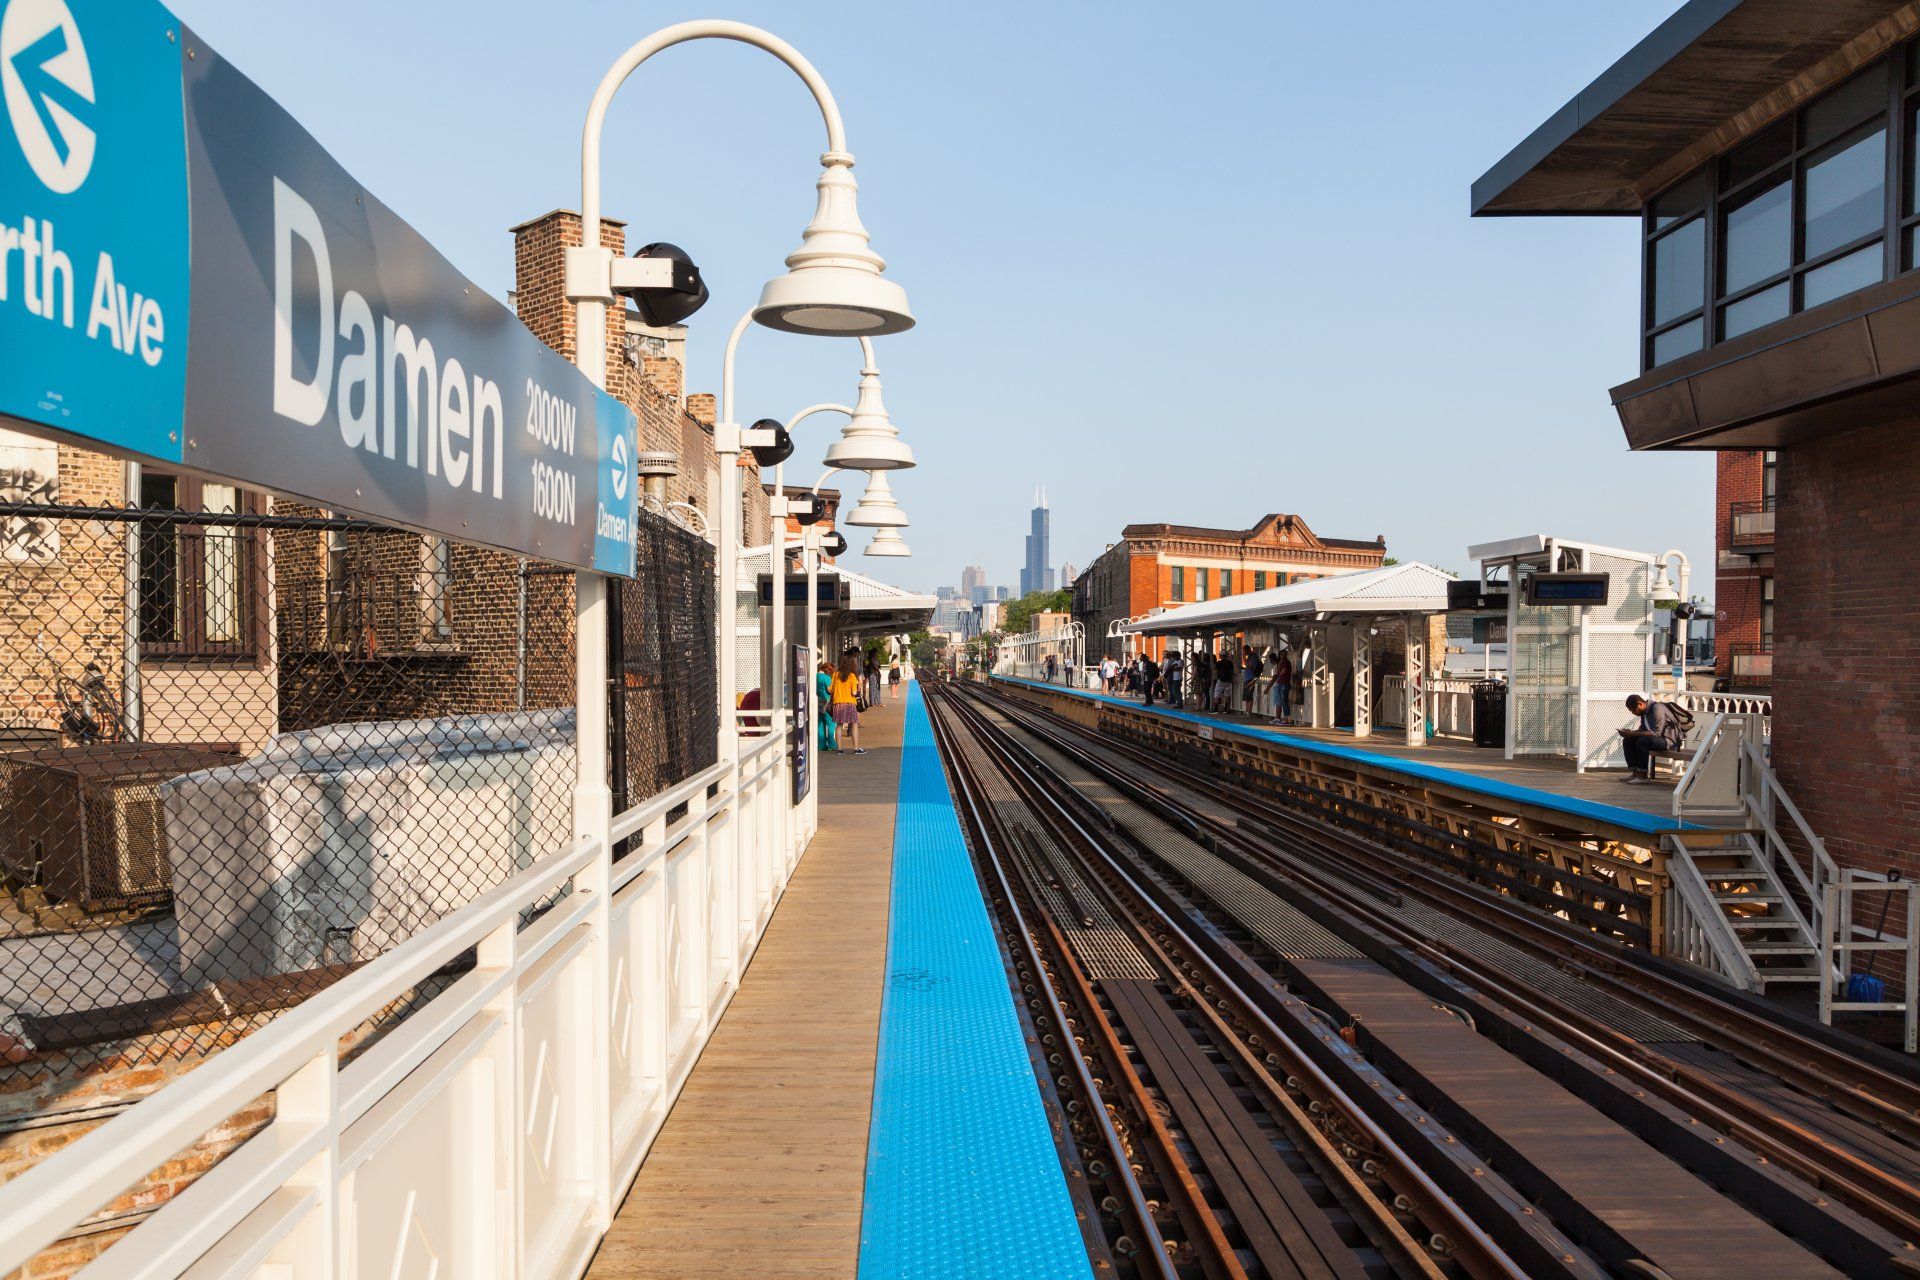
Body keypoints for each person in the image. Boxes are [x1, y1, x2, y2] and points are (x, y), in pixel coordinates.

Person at [1618, 694, 1687, 781]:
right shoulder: (1644, 712)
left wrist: (1633, 734)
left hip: (1669, 740)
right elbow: (1643, 730)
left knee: (1643, 741)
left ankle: (1642, 775)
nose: (1633, 713)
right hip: (1657, 739)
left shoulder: (1657, 708)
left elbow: (1656, 733)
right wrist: (1630, 733)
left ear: (1640, 704)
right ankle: (1635, 773)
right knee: (1628, 740)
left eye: (1633, 710)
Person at [832, 657, 865, 754]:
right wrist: (858, 689)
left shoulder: (835, 674)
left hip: (838, 703)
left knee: (839, 725)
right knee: (854, 724)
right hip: (849, 703)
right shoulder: (852, 676)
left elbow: (831, 689)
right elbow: (854, 692)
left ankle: (839, 749)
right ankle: (856, 748)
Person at [816, 661, 837, 752]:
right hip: (827, 703)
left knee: (820, 724)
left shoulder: (815, 676)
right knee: (832, 724)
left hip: (818, 702)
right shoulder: (826, 678)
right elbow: (830, 690)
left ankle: (821, 745)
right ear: (828, 670)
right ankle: (832, 745)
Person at [1271, 645, 1294, 725]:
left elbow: (1282, 672)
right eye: (1281, 654)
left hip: (1284, 683)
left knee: (1284, 701)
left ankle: (1287, 718)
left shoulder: (1286, 662)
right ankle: (1284, 717)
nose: (1282, 656)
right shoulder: (1281, 663)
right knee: (1282, 701)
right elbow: (1278, 671)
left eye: (1283, 654)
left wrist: (1277, 676)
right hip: (1280, 683)